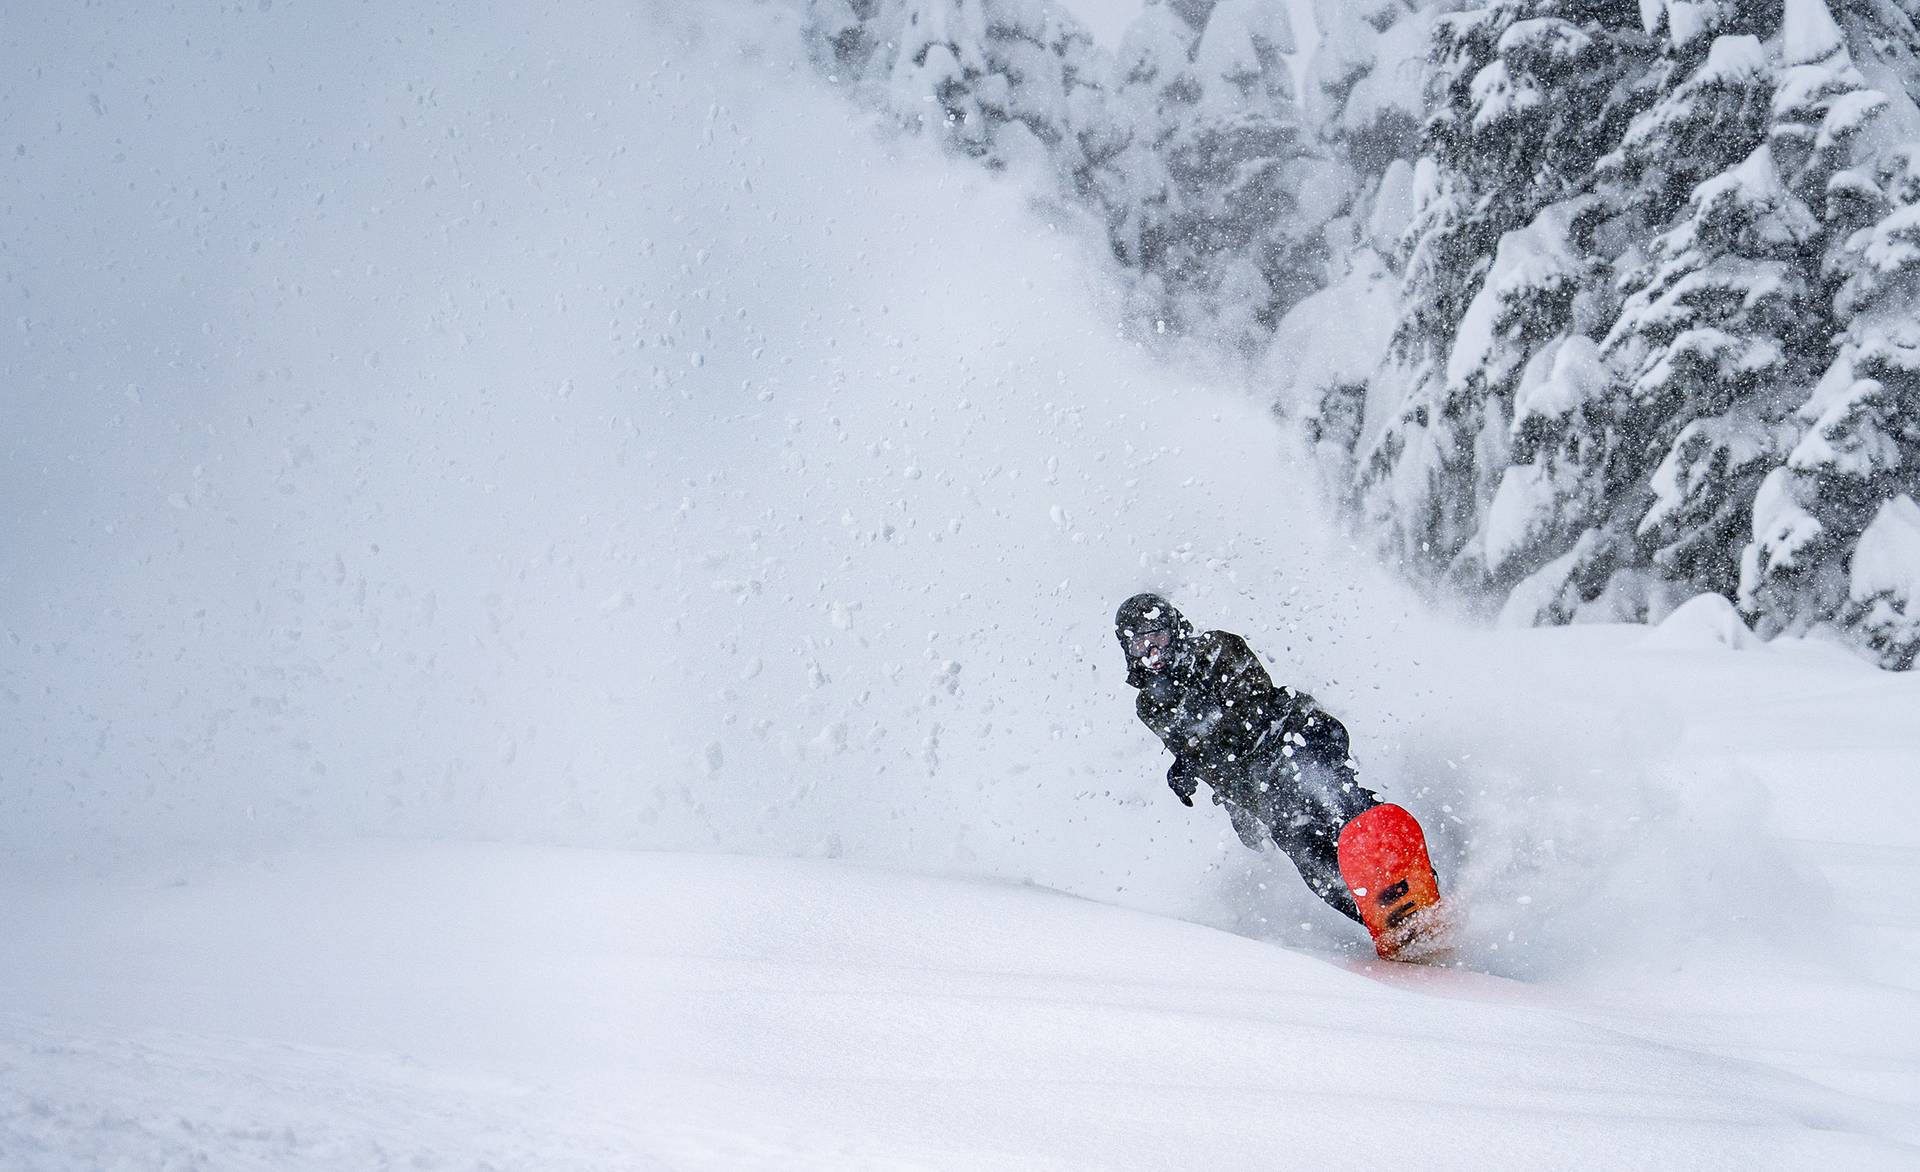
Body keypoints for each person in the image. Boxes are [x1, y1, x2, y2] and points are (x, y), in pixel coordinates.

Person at [1114, 592, 1383, 924]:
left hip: (1295, 740)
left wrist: (1195, 755)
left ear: (1175, 631)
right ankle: (1382, 919)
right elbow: (1199, 755)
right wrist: (1199, 778)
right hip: (1262, 790)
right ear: (1127, 650)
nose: (1152, 652)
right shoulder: (1151, 706)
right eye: (1140, 644)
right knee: (1308, 853)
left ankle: (1397, 863)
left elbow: (1251, 711)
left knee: (1331, 800)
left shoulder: (1216, 649)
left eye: (1158, 637)